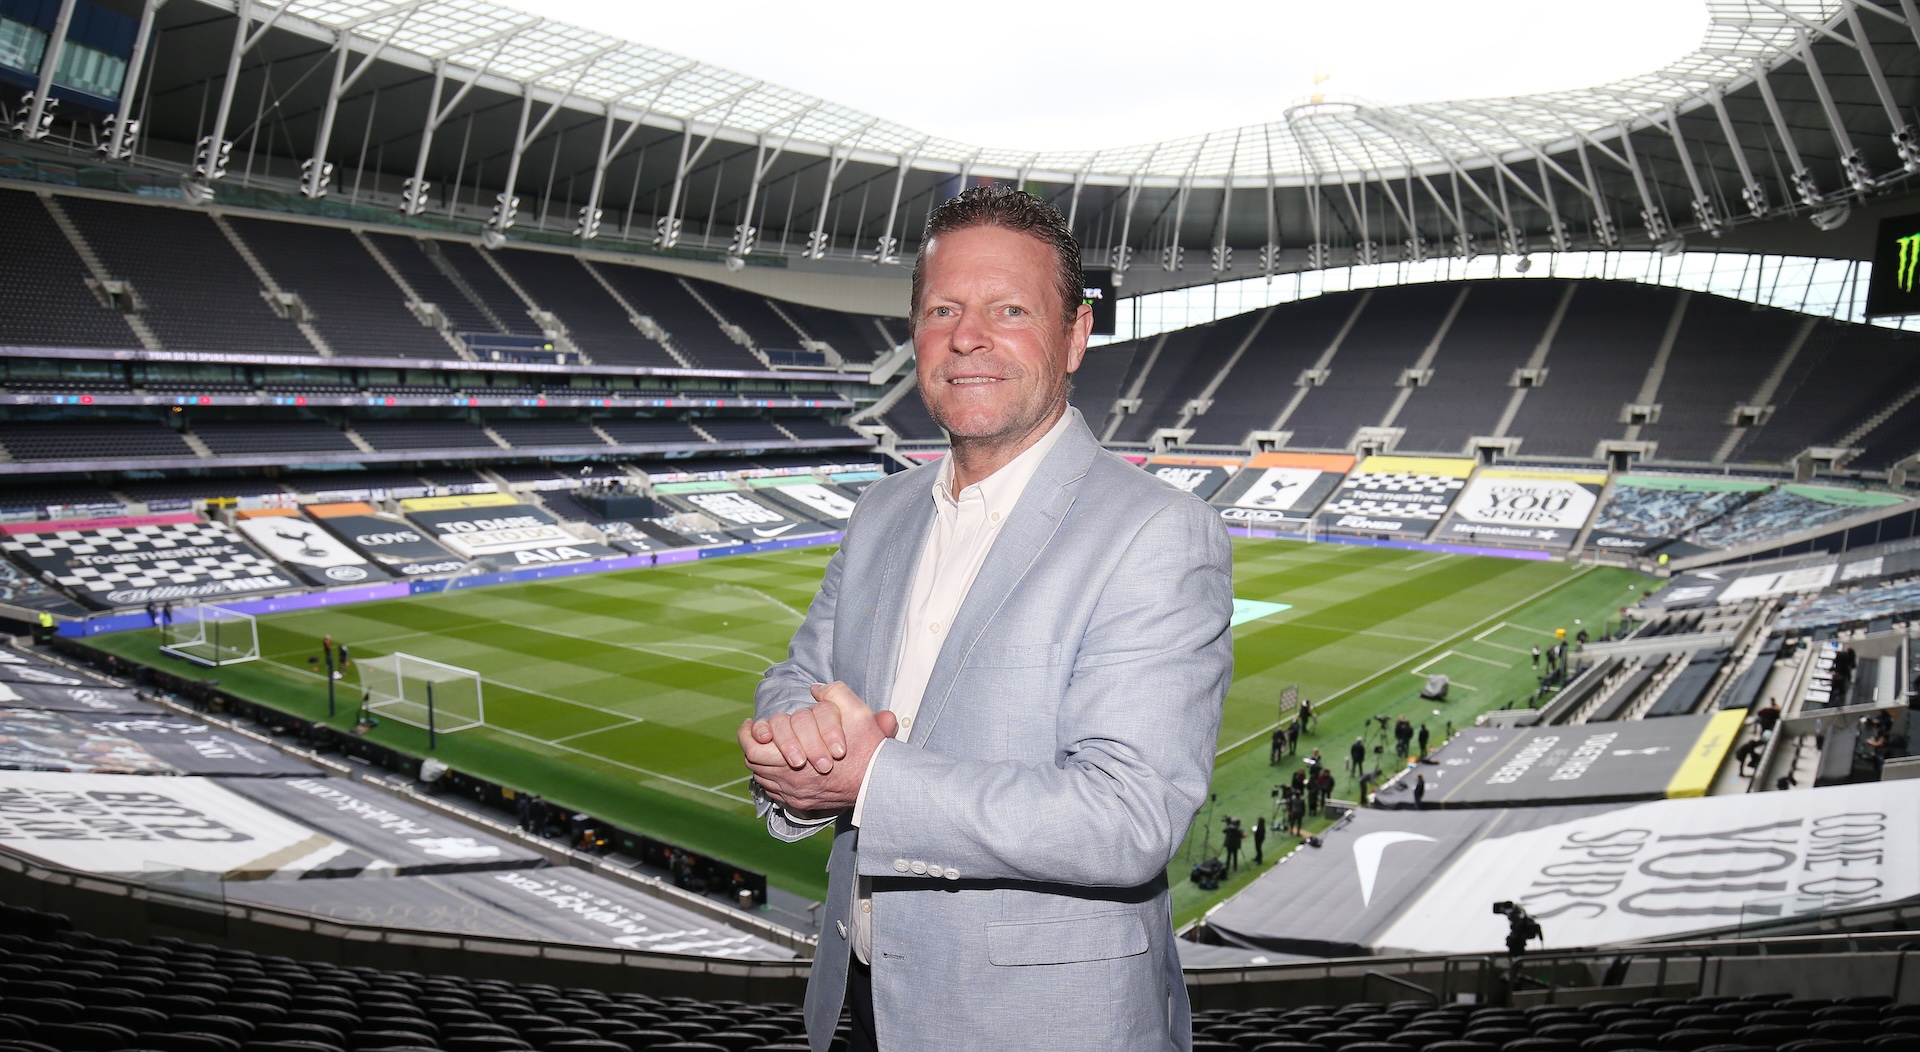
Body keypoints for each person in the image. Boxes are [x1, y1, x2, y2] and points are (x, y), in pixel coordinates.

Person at [740, 187, 1233, 1052]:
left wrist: (871, 780)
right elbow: (800, 677)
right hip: (858, 1008)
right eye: (942, 310)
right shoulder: (880, 513)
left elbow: (1125, 819)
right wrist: (796, 745)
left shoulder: (1156, 530)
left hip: (1037, 1028)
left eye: (1010, 309)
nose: (968, 337)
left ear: (1076, 336)